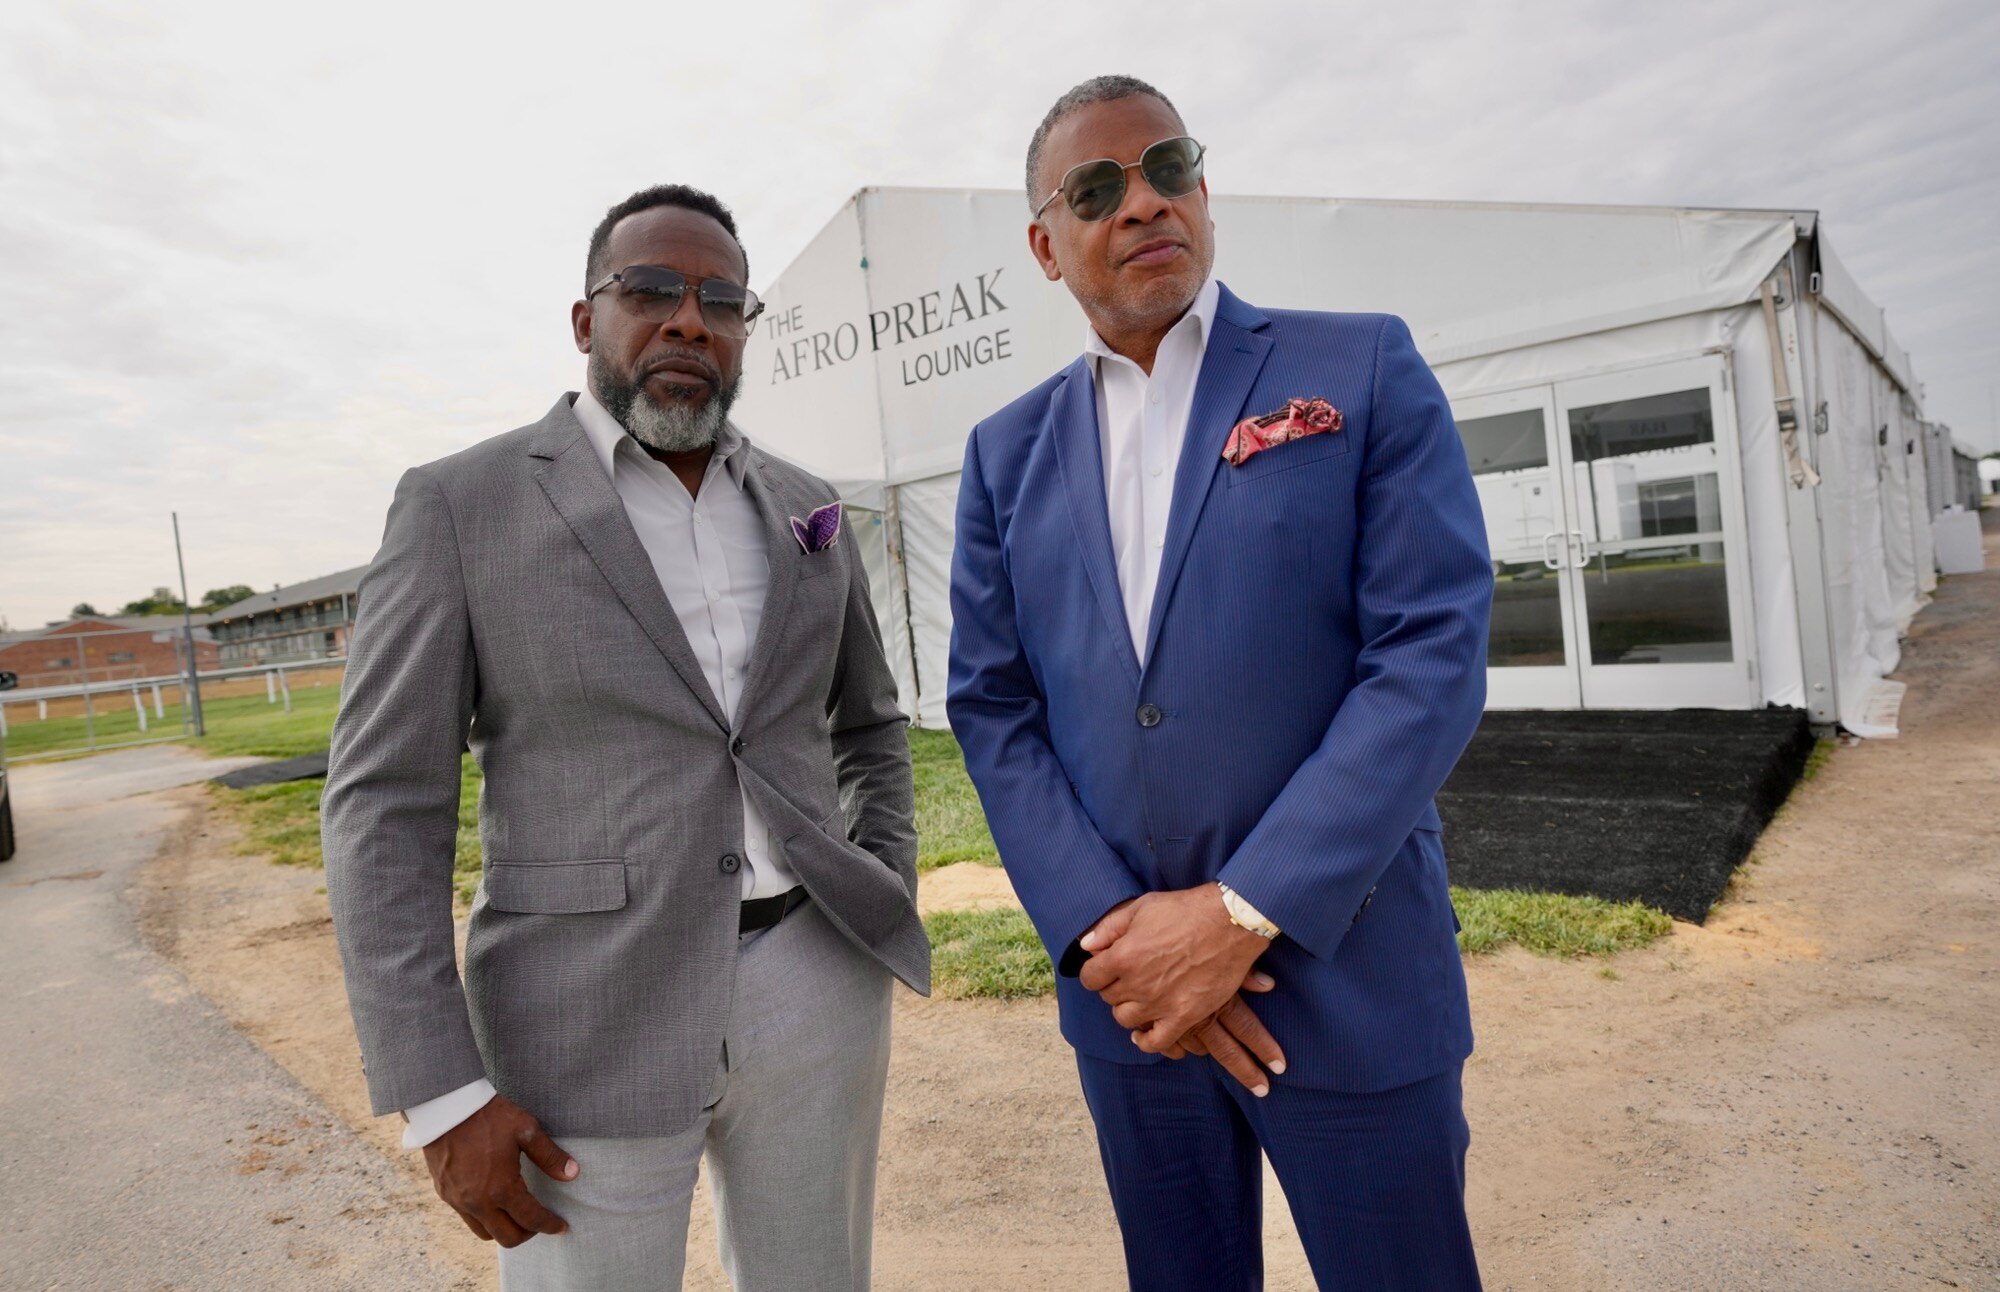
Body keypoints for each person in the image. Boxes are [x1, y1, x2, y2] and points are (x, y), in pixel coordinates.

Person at [322, 183, 928, 1292]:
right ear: (584, 318)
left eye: (721, 300)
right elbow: (383, 803)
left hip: (815, 980)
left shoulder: (806, 504)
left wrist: (883, 872)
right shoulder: (462, 504)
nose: (688, 319)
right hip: (577, 1015)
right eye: (648, 289)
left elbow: (870, 719)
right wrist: (443, 1089)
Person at [947, 77, 1491, 1289]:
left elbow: (1429, 653)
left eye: (1169, 165)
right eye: (1096, 188)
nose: (1143, 201)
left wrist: (1237, 912)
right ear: (1045, 245)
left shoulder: (1354, 366)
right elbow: (991, 704)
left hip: (1345, 977)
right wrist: (1111, 935)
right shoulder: (1001, 456)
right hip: (1133, 1004)